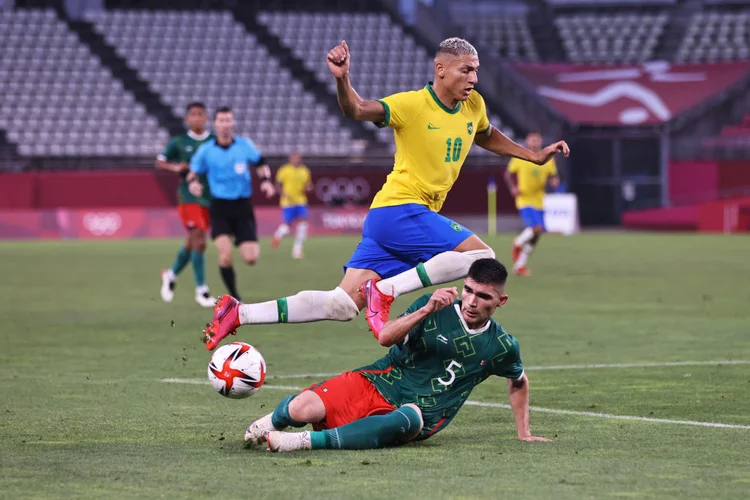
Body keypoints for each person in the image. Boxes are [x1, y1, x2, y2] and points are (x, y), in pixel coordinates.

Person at [200, 37, 569, 351]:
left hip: (392, 221)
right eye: (465, 70)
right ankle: (388, 291)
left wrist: (532, 155)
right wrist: (343, 79)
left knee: (342, 305)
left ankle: (239, 312)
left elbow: (485, 134)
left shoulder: (474, 104)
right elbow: (356, 109)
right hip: (399, 209)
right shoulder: (411, 105)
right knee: (480, 258)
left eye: (475, 70)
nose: (474, 78)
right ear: (441, 69)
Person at [243, 259, 550, 452]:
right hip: (377, 382)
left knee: (410, 417)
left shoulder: (502, 346)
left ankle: (304, 442)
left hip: (418, 413)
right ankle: (269, 423)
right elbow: (385, 337)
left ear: (501, 301)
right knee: (299, 410)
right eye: (468, 290)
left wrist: (524, 433)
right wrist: (427, 309)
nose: (471, 301)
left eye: (483, 296)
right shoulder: (435, 305)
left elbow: (518, 381)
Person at [187, 106, 275, 302]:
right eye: (221, 121)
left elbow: (261, 164)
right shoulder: (206, 150)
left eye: (228, 120)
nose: (225, 124)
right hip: (220, 208)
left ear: (233, 123)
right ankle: (235, 297)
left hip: (243, 207)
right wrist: (193, 184)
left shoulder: (244, 146)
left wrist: (266, 181)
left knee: (251, 258)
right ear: (215, 124)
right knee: (225, 255)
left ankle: (240, 239)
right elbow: (192, 174)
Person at [156, 102, 216, 308]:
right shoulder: (179, 142)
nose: (197, 118)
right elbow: (160, 162)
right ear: (187, 119)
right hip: (188, 197)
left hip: (209, 197)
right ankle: (202, 291)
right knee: (199, 240)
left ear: (206, 118)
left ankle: (170, 274)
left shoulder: (213, 141)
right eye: (193, 114)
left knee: (193, 242)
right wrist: (176, 167)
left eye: (201, 114)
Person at [504, 132, 560, 277]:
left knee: (536, 235)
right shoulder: (521, 156)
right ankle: (517, 242)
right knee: (536, 228)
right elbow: (508, 174)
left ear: (540, 142)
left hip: (539, 200)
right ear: (527, 142)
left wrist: (554, 181)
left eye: (537, 141)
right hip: (524, 199)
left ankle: (519, 266)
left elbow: (553, 175)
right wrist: (513, 188)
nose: (534, 143)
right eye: (532, 140)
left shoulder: (547, 157)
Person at [271, 152, 313, 259]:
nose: (295, 160)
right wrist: (282, 193)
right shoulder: (284, 170)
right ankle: (278, 234)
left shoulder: (305, 170)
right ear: (290, 159)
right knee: (287, 227)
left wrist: (308, 187)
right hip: (288, 202)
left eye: (297, 158)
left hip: (301, 200)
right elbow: (277, 184)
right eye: (293, 158)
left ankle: (297, 249)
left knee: (303, 223)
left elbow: (308, 184)